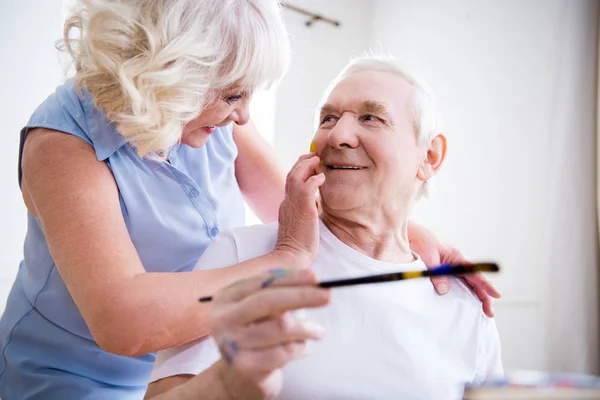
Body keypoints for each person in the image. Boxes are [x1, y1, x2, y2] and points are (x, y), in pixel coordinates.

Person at [0, 0, 499, 398]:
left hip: (169, 369)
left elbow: (315, 205)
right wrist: (285, 261)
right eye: (234, 94)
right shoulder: (61, 146)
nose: (243, 117)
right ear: (175, 77)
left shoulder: (207, 115)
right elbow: (123, 321)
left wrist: (409, 235)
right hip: (66, 381)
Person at [144, 54, 504, 400]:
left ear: (429, 157)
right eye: (328, 119)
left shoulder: (463, 301)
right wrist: (230, 385)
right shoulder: (242, 254)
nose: (338, 136)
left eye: (371, 118)